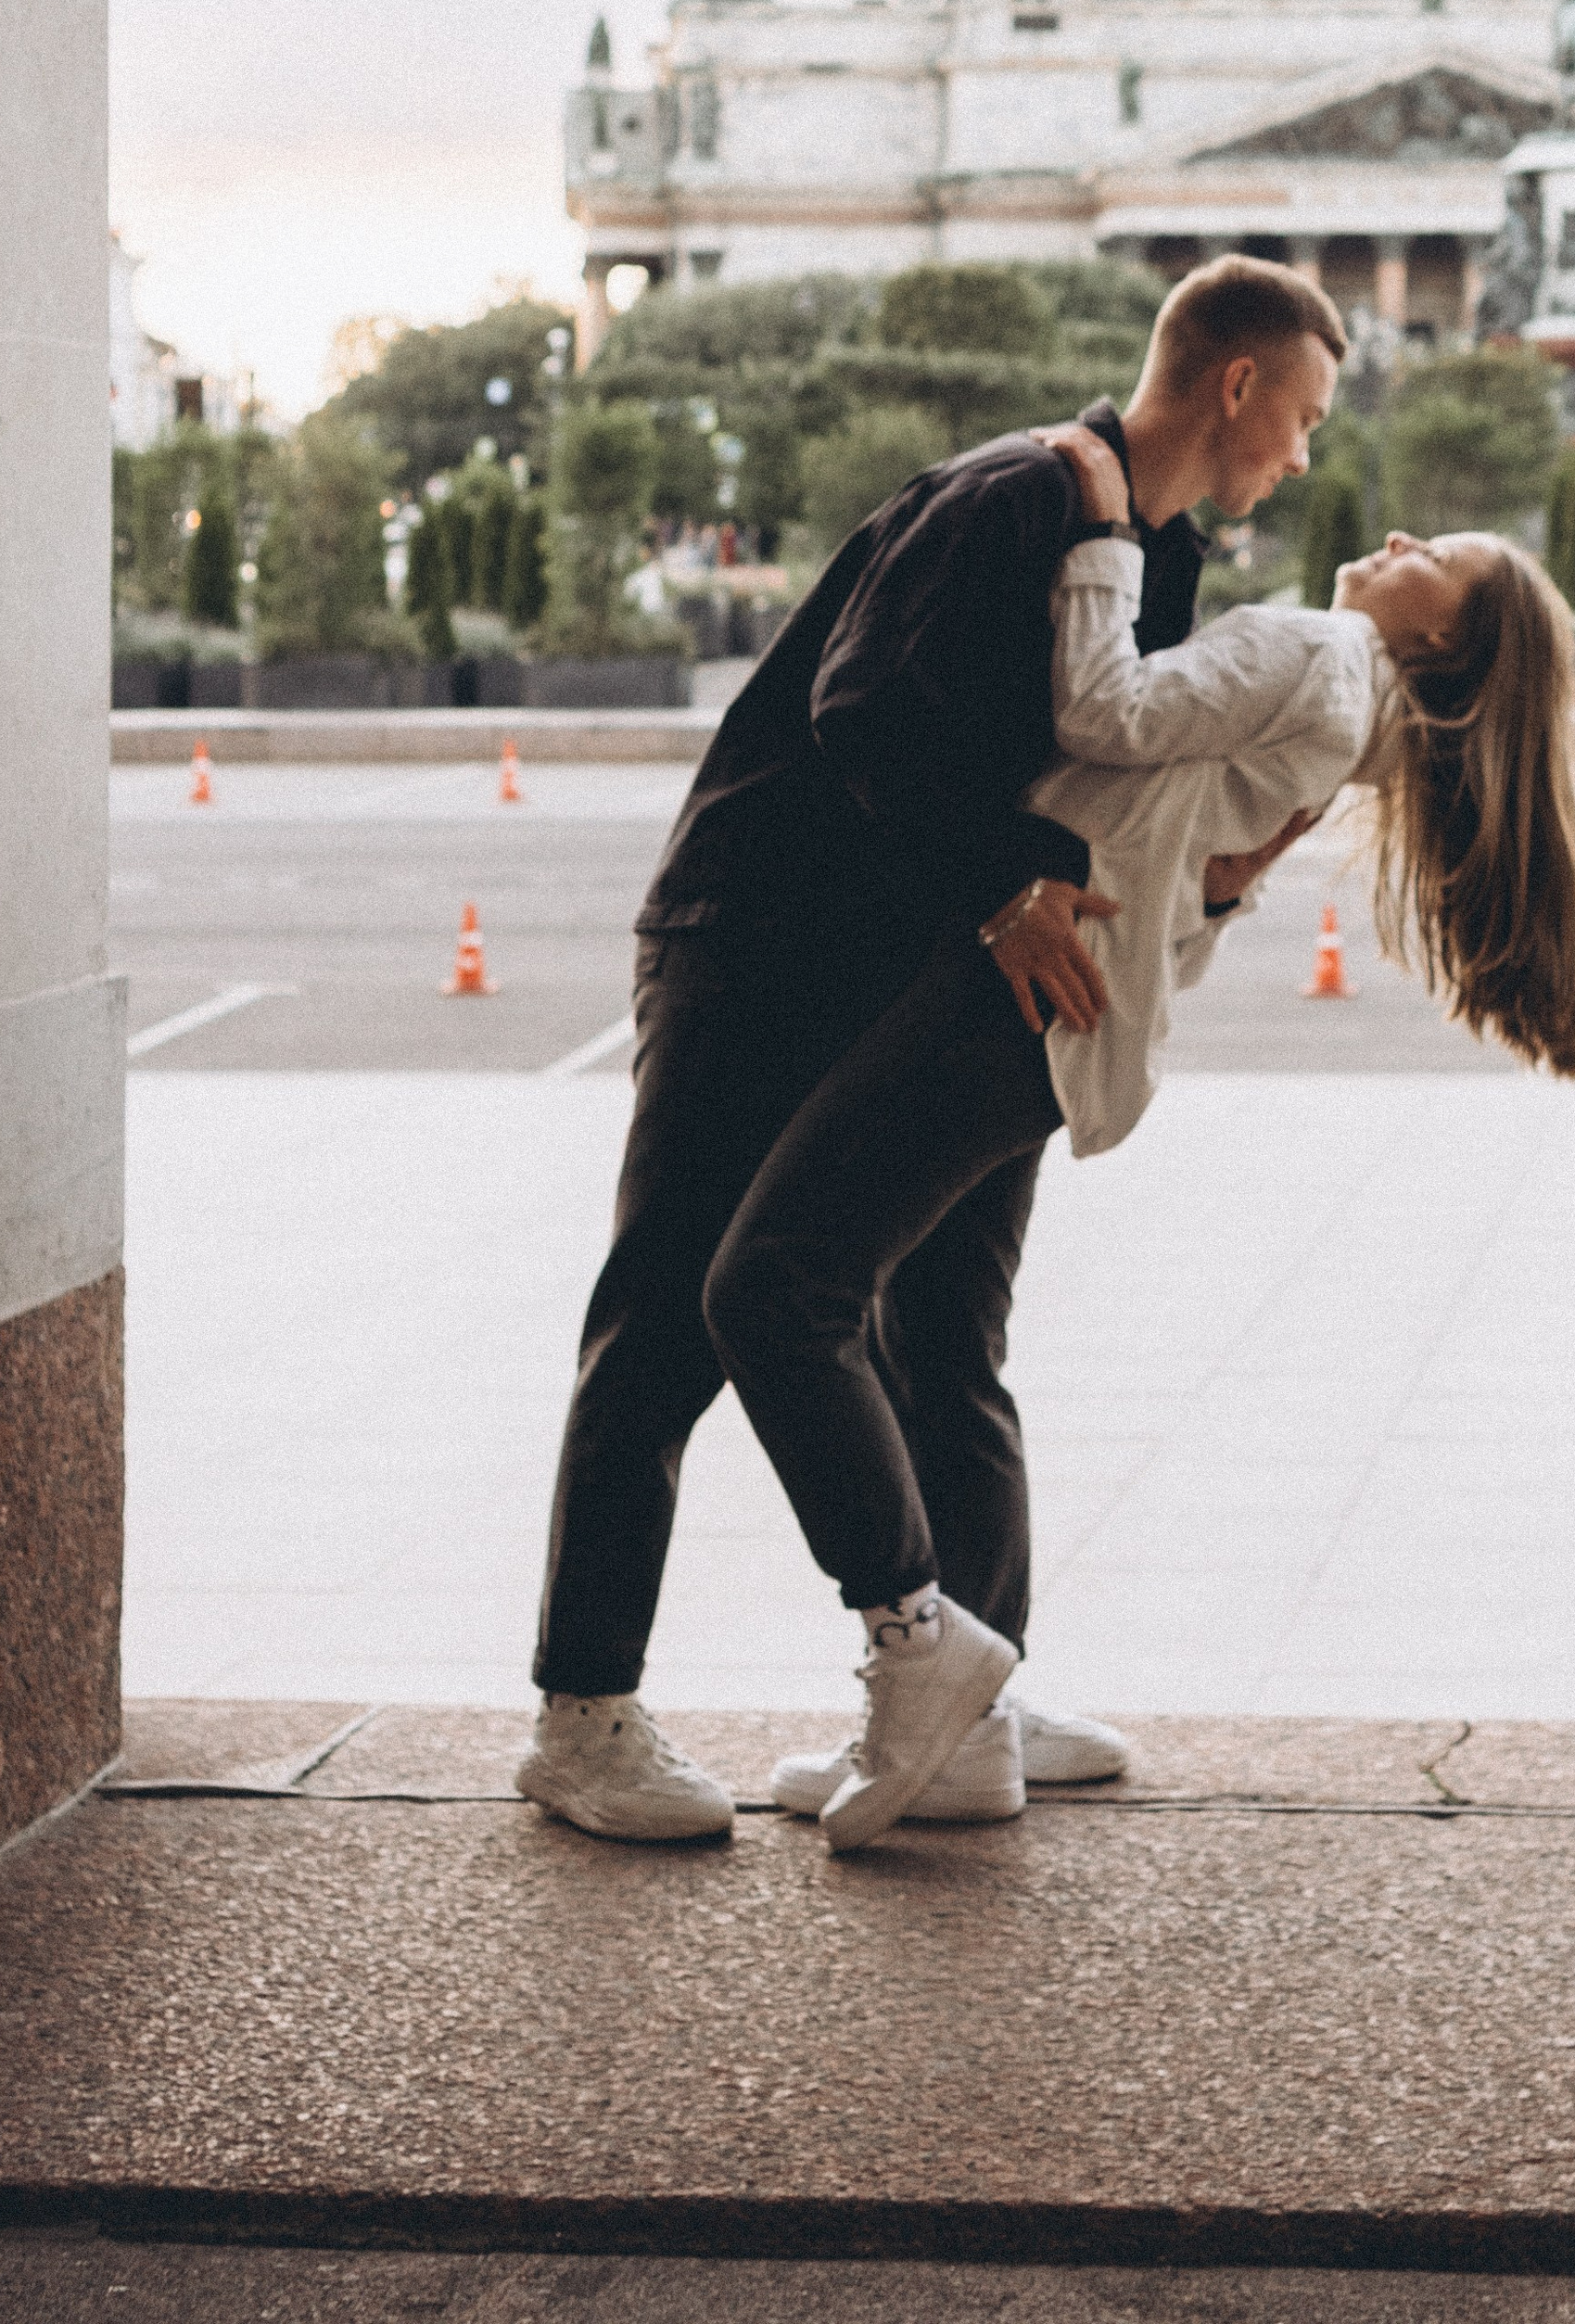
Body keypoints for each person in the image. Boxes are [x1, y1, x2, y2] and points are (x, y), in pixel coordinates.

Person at [514, 254, 1346, 1845]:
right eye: (1301, 416)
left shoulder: (1146, 555)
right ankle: (582, 1713)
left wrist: (1213, 884)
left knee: (951, 1333)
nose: (1302, 455)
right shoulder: (1013, 496)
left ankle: (977, 1688)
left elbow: (1101, 780)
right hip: (757, 942)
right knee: (674, 1321)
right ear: (1236, 385)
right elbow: (863, 710)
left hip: (940, 969)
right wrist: (1007, 885)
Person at [706, 425, 1575, 1851]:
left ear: (1447, 640)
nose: (1395, 543)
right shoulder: (1354, 732)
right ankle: (975, 1725)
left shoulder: (1317, 656)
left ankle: (919, 1643)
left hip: (1007, 993)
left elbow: (1106, 713)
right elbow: (1186, 852)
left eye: (1432, 560)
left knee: (774, 1290)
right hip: (1071, 1027)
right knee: (945, 1349)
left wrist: (1101, 541)